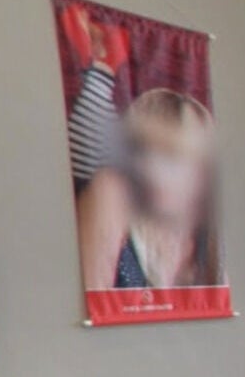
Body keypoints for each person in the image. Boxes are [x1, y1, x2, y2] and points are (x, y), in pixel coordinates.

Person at [76, 87, 221, 291]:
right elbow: (92, 303)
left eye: (171, 155)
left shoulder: (209, 225)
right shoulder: (110, 190)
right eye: (140, 152)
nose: (151, 169)